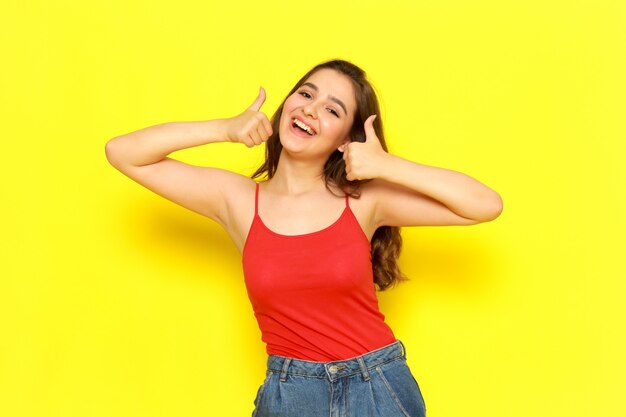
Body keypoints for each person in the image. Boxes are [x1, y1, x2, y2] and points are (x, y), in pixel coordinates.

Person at [105, 59, 503, 417]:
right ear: (287, 105)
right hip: (290, 395)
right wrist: (223, 129)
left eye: (333, 109)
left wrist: (387, 165)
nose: (311, 109)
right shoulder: (239, 201)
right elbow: (123, 151)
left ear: (345, 140)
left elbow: (484, 204)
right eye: (306, 94)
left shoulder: (364, 201)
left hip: (376, 387)